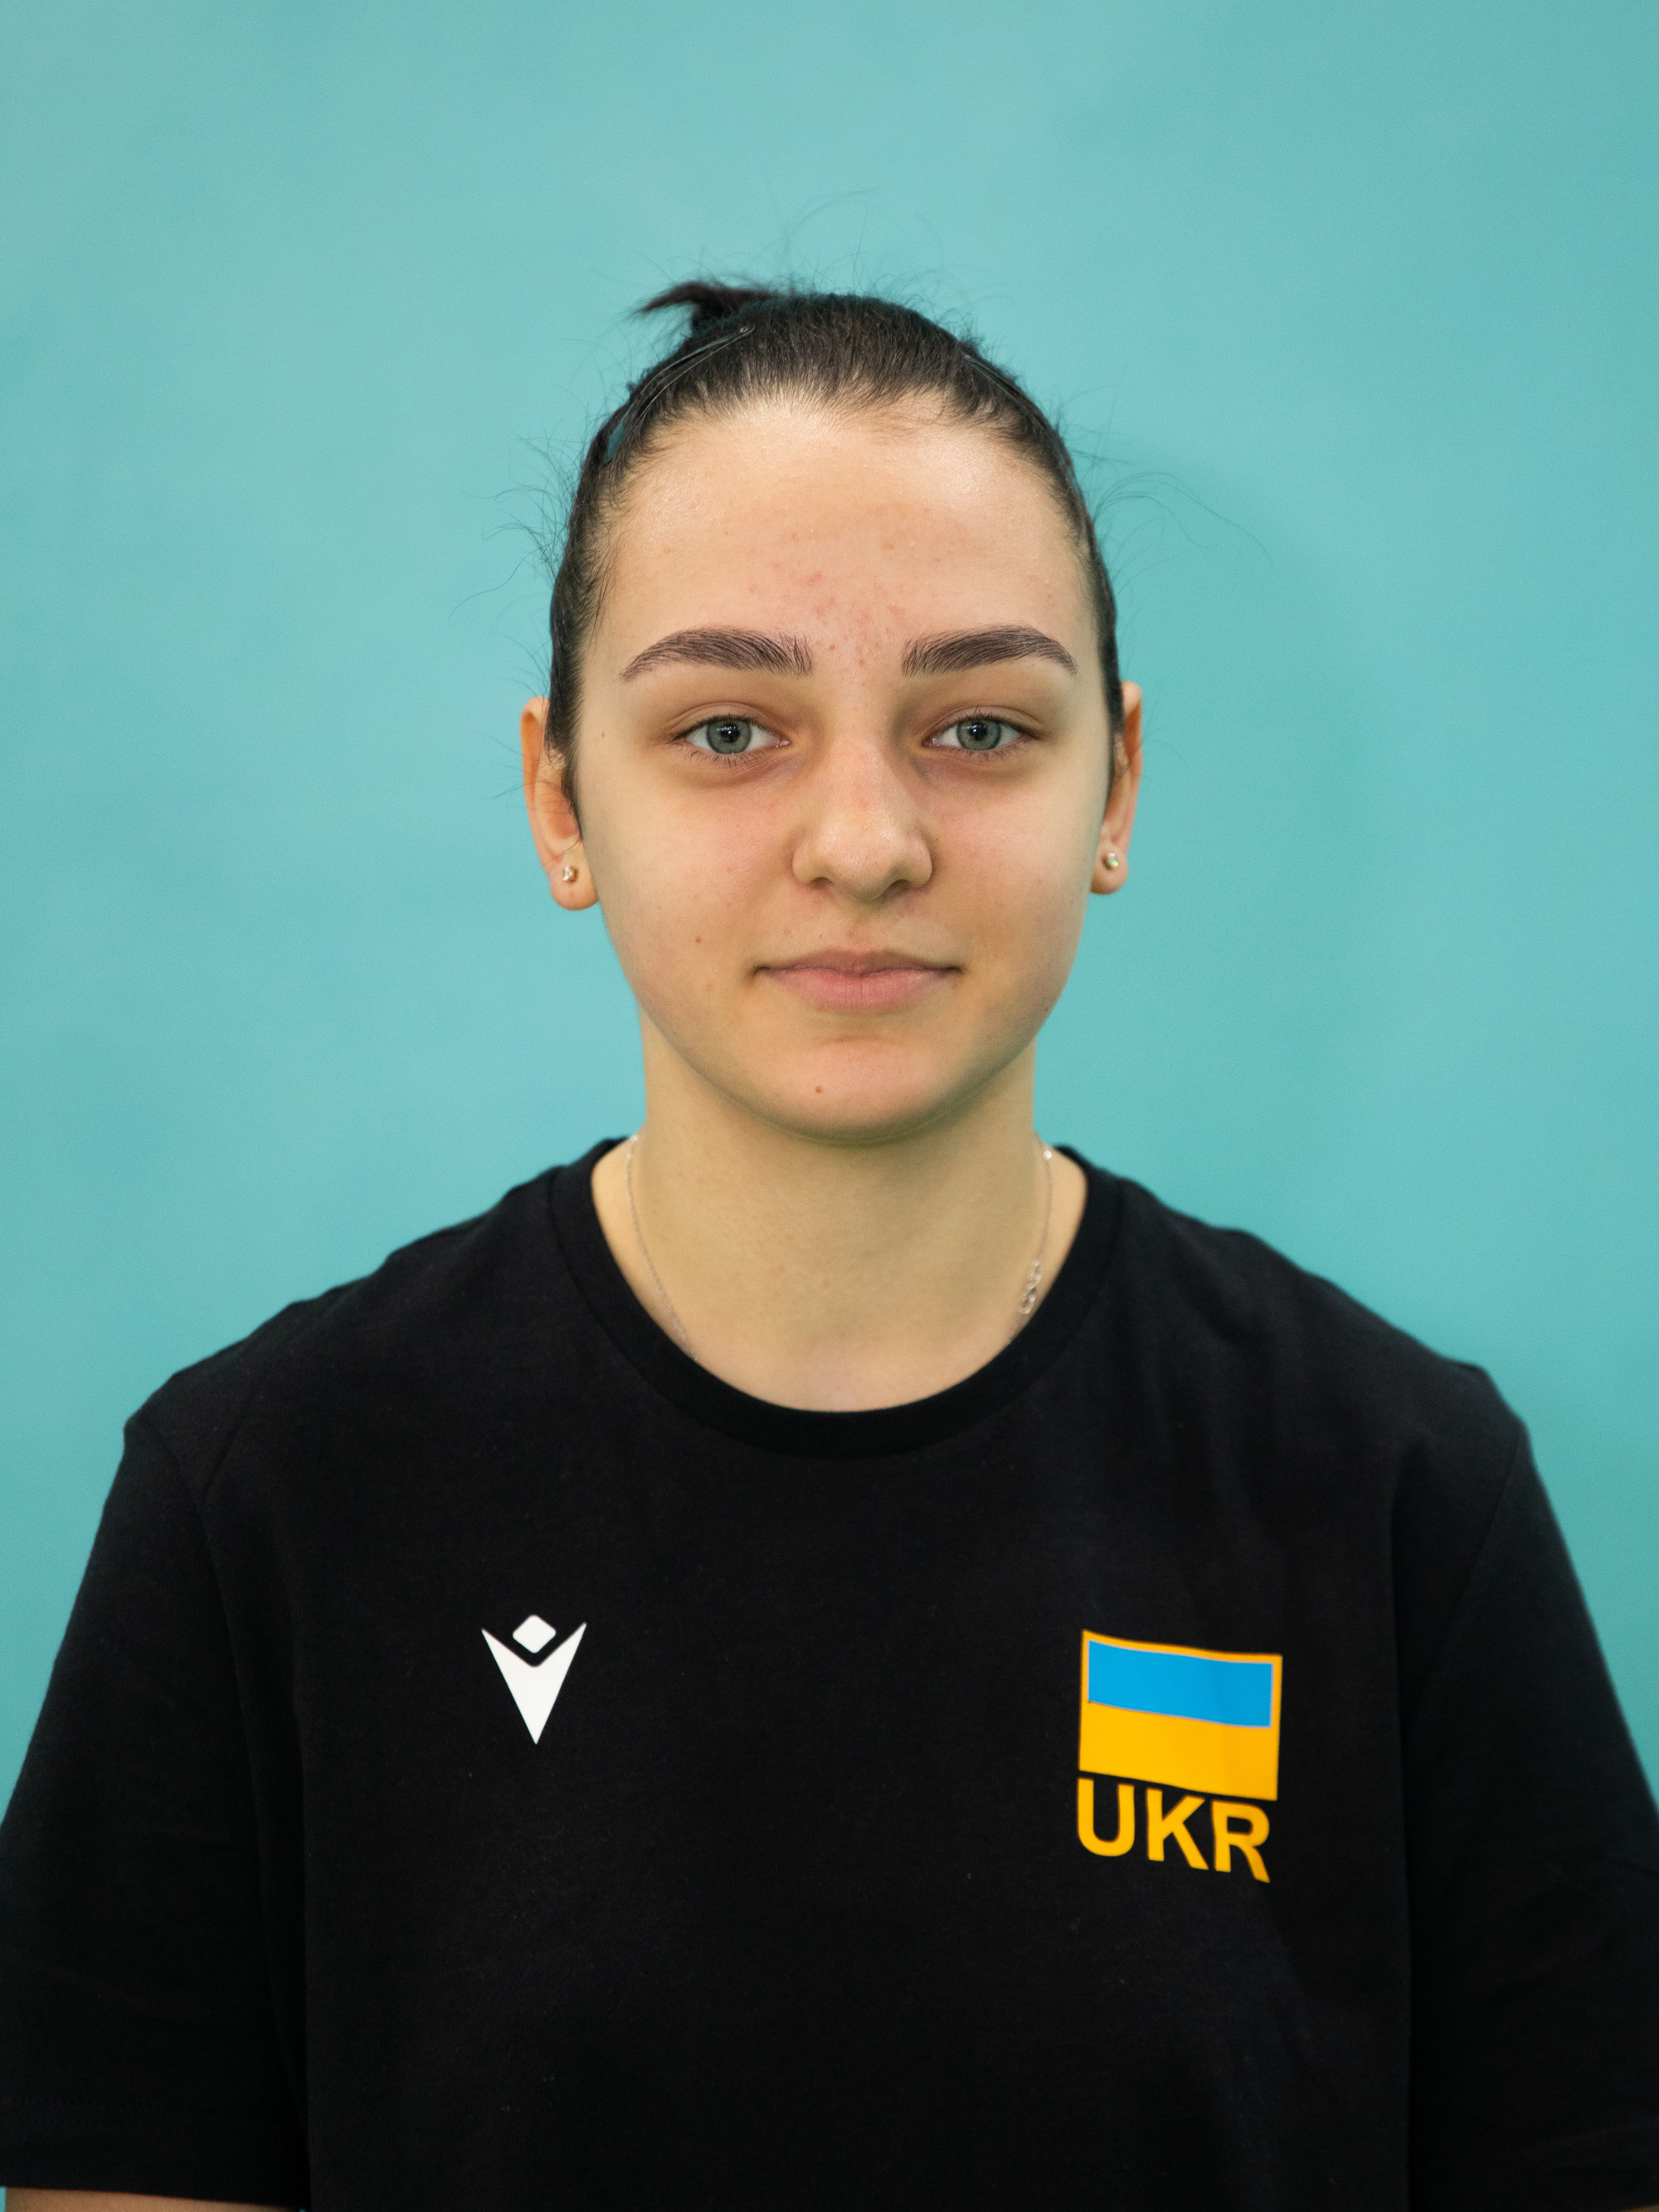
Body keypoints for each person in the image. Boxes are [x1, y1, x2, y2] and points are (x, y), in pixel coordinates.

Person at [1, 281, 1656, 2212]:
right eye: (728, 727)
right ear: (559, 793)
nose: (864, 840)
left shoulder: (1397, 1486)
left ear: (1115, 783)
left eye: (978, 725)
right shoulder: (264, 1495)